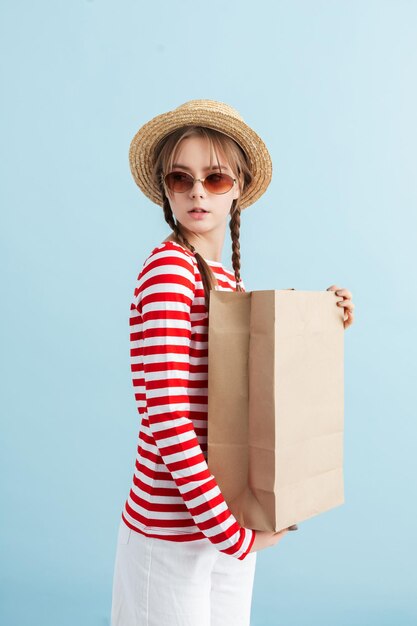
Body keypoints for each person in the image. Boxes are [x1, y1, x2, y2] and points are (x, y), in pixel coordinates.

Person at [110, 99, 355, 626]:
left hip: (221, 523)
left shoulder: (227, 281)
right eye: (181, 177)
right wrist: (234, 535)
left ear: (238, 186)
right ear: (165, 189)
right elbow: (169, 418)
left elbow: (267, 389)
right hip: (175, 531)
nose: (198, 191)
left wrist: (328, 320)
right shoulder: (169, 272)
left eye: (215, 178)